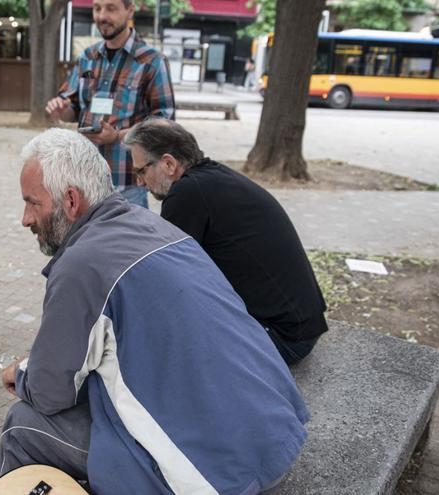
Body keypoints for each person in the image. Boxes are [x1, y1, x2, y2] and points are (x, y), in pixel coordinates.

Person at [0, 128, 309, 494]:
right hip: (276, 440)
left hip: (220, 478)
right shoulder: (156, 226)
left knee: (22, 423)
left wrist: (21, 374)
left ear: (69, 200)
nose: (25, 219)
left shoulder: (81, 265)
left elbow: (51, 392)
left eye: (32, 202)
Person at [123, 119, 329, 365]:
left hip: (283, 338)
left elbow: (165, 275)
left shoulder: (187, 193)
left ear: (168, 163)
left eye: (141, 171)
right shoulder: (211, 177)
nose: (139, 182)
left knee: (150, 347)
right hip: (299, 327)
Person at [45, 0, 174, 209]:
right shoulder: (87, 57)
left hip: (128, 183)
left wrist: (118, 136)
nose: (102, 16)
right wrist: (62, 109)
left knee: (127, 242)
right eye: (97, 8)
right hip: (84, 178)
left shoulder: (152, 61)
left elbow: (164, 124)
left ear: (129, 10)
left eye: (111, 8)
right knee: (86, 241)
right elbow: (75, 109)